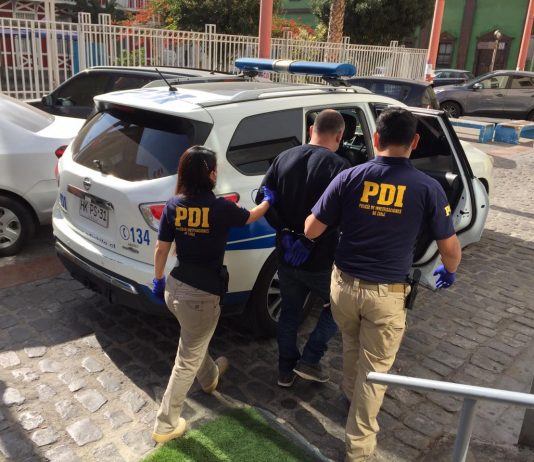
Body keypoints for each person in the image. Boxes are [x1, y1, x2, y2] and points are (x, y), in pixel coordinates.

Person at [304, 107, 461, 461]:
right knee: (374, 372)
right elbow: (450, 248)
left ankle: (350, 393)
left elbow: (311, 229)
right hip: (386, 295)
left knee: (350, 343)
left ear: (375, 138)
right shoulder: (428, 187)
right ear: (415, 142)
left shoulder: (350, 176)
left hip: (343, 287)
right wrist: (449, 270)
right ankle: (359, 449)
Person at [151, 146, 275, 443]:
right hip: (201, 296)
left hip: (175, 288)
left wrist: (158, 279)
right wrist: (269, 200)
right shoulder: (219, 208)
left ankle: (209, 378)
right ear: (210, 174)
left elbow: (161, 248)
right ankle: (165, 424)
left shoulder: (174, 205)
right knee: (186, 359)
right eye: (215, 169)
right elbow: (252, 216)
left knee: (193, 339)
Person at [260, 109, 350, 387]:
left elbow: (265, 200)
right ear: (339, 136)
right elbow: (341, 217)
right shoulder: (341, 167)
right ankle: (310, 359)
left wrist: (285, 232)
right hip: (321, 260)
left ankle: (285, 370)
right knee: (340, 309)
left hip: (286, 256)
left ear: (312, 129)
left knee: (290, 311)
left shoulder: (283, 158)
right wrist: (308, 240)